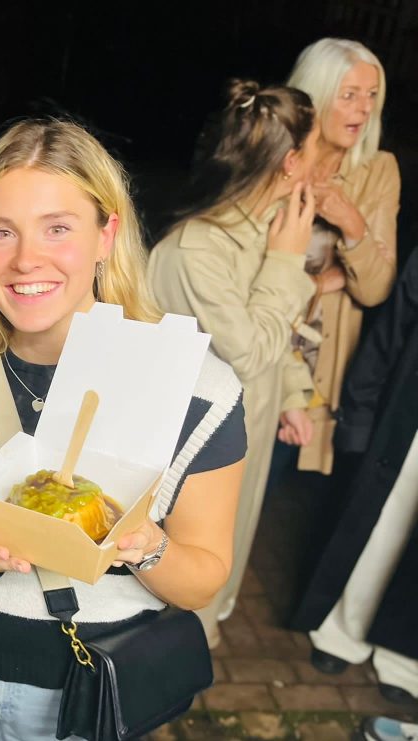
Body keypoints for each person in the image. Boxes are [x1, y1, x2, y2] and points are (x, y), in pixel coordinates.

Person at [0, 118, 247, 740]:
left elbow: (203, 579)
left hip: (84, 695)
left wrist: (143, 542)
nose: (27, 259)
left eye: (58, 228)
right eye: (1, 232)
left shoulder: (195, 389)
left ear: (106, 233)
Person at [147, 80, 321, 645]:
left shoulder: (270, 225)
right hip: (198, 448)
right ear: (294, 161)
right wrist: (289, 262)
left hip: (250, 425)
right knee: (191, 563)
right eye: (313, 148)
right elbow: (247, 351)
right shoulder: (201, 248)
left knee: (229, 551)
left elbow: (275, 332)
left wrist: (294, 392)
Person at [292, 247, 418, 704]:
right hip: (410, 419)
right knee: (385, 524)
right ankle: (345, 630)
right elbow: (390, 335)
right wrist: (359, 418)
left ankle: (406, 658)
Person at [276, 37, 399, 473]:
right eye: (349, 96)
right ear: (315, 95)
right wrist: (319, 282)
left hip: (313, 369)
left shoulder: (378, 170)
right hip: (250, 345)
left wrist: (352, 224)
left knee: (266, 482)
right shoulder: (274, 159)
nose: (364, 110)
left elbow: (377, 289)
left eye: (372, 96)